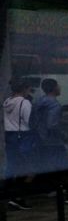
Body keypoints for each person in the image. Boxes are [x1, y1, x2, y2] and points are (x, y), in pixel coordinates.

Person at [31, 78, 68, 203]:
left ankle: (54, 189)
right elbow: (52, 124)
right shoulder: (54, 104)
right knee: (64, 166)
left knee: (49, 166)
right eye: (58, 85)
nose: (60, 88)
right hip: (54, 141)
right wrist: (65, 130)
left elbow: (34, 121)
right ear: (54, 88)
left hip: (41, 140)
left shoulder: (39, 101)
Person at [4, 79, 34, 210]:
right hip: (23, 137)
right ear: (24, 89)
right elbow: (29, 121)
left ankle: (11, 195)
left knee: (13, 166)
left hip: (10, 137)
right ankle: (18, 197)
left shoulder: (7, 102)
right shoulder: (24, 102)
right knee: (30, 170)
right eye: (28, 89)